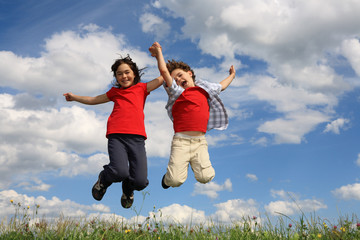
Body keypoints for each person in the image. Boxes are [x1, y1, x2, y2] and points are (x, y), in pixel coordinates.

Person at [63, 55, 163, 208]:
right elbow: (94, 99)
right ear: (116, 77)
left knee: (140, 182)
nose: (124, 76)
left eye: (127, 72)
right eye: (119, 74)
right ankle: (103, 179)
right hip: (117, 136)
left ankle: (128, 189)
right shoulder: (115, 93)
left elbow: (164, 76)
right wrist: (74, 97)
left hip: (137, 139)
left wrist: (159, 54)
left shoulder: (142, 88)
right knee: (119, 172)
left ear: (134, 73)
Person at [149, 42, 236, 189]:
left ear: (189, 73)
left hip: (199, 142)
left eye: (180, 75)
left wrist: (232, 75)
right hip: (181, 142)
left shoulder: (205, 89)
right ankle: (168, 177)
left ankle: (186, 164)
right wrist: (159, 55)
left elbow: (222, 86)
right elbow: (164, 72)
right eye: (175, 79)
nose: (178, 80)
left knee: (205, 177)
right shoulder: (177, 92)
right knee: (175, 181)